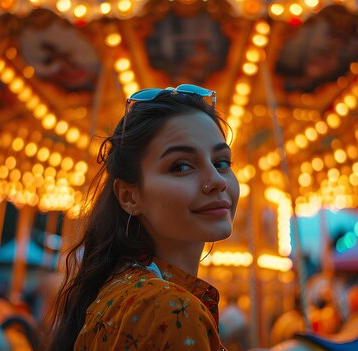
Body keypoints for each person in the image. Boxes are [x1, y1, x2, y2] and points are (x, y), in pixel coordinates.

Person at [45, 85, 240, 351]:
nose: (216, 181)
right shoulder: (174, 310)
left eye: (221, 163)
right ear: (129, 196)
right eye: (181, 166)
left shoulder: (122, 292)